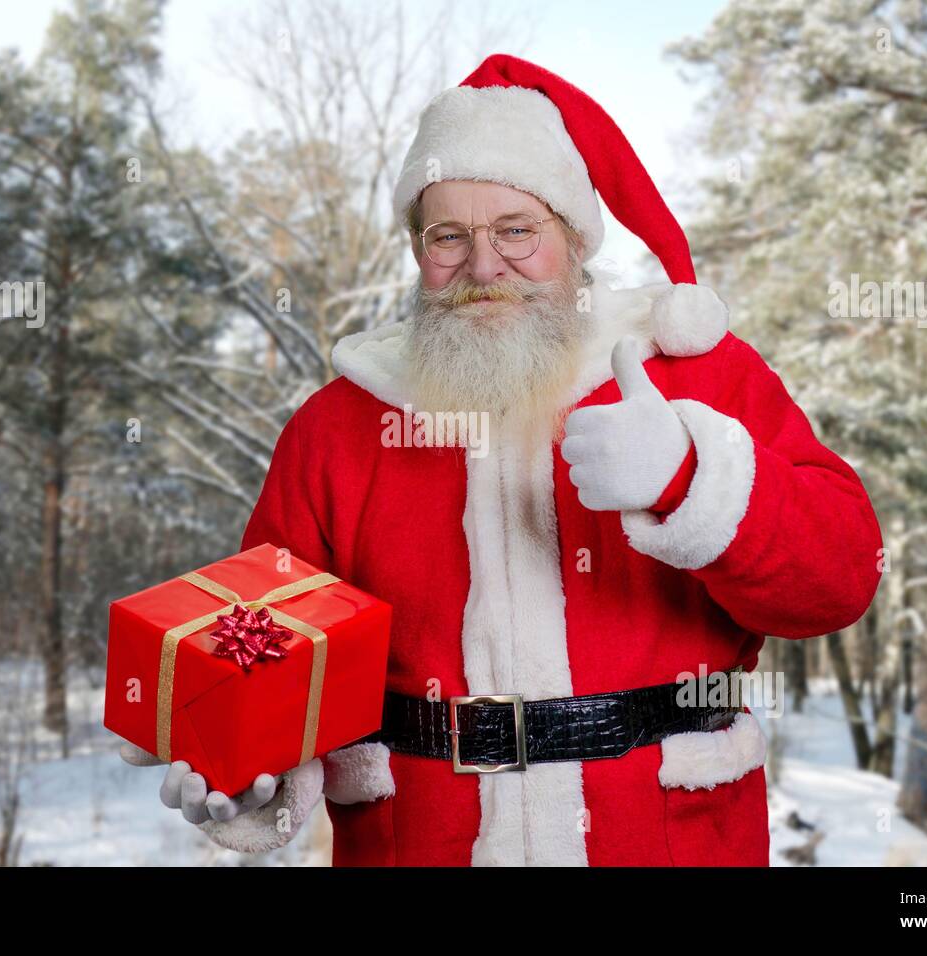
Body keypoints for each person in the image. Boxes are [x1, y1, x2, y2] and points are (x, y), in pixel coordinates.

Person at [121, 53, 884, 866]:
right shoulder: (337, 426)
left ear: (573, 237)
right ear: (418, 248)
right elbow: (273, 659)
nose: (483, 268)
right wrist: (249, 771)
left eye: (517, 230)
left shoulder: (699, 374)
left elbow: (841, 579)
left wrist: (691, 477)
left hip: (669, 842)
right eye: (449, 236)